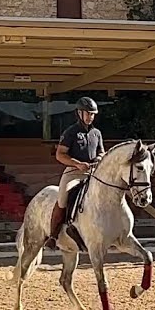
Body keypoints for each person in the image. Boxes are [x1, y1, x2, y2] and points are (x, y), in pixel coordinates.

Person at [47, 96, 105, 247]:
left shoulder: (97, 133)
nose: (90, 117)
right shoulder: (70, 132)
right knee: (63, 198)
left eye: (92, 114)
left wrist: (99, 158)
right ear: (79, 113)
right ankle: (54, 234)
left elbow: (101, 152)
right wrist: (77, 164)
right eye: (88, 113)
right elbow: (60, 155)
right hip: (74, 172)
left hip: (93, 173)